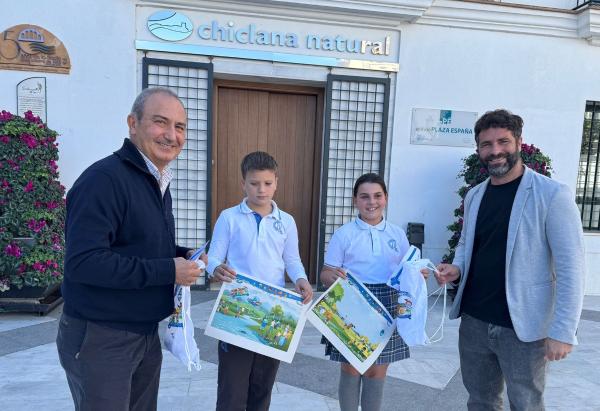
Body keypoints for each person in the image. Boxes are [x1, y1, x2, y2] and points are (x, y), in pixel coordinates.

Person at [56, 87, 205, 411]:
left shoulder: (155, 179)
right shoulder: (103, 180)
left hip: (144, 332)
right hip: (102, 335)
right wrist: (169, 270)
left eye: (180, 127)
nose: (171, 135)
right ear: (133, 123)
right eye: (160, 122)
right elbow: (84, 262)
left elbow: (140, 243)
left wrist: (184, 255)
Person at [435, 109, 585, 410]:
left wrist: (563, 331)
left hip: (524, 329)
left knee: (526, 405)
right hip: (475, 322)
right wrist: (457, 267)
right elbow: (466, 242)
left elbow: (572, 268)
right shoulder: (475, 195)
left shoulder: (552, 195)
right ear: (478, 149)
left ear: (518, 142)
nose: (495, 151)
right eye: (486, 144)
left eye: (503, 141)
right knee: (480, 402)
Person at [207, 151, 314, 411]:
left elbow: (292, 259)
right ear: (243, 184)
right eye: (254, 183)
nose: (261, 190)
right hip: (237, 307)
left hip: (275, 311)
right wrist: (216, 268)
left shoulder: (286, 221)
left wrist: (301, 278)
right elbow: (213, 257)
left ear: (276, 182)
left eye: (267, 183)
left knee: (262, 386)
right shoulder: (229, 217)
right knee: (232, 388)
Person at [320, 173, 428, 411]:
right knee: (351, 366)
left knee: (376, 370)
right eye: (364, 197)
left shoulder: (397, 234)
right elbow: (325, 274)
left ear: (386, 198)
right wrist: (332, 277)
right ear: (355, 201)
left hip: (388, 303)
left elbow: (407, 271)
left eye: (377, 196)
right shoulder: (344, 234)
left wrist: (418, 275)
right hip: (352, 302)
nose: (372, 202)